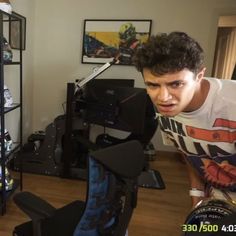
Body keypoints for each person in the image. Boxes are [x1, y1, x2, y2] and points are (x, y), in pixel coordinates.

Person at [133, 31, 236, 207]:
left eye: (176, 84)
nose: (163, 97)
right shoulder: (165, 107)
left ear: (199, 76)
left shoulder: (231, 103)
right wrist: (196, 198)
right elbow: (190, 153)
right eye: (153, 85)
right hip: (217, 196)